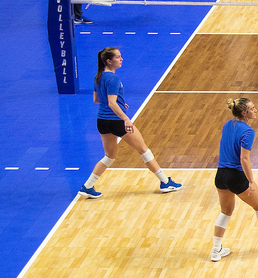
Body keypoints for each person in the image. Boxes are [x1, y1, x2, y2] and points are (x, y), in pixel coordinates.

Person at [78, 47, 182, 198]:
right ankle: (165, 182)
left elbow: (97, 100)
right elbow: (112, 103)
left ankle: (87, 186)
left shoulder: (98, 77)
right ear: (109, 61)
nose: (121, 59)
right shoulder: (113, 79)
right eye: (118, 57)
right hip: (117, 121)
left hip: (102, 121)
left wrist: (119, 103)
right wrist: (125, 118)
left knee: (109, 156)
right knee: (144, 150)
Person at [212, 97, 258, 262]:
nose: (255, 110)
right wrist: (250, 181)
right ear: (244, 113)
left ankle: (216, 250)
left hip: (221, 175)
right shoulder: (248, 132)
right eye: (252, 108)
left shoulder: (227, 124)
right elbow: (244, 159)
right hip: (236, 176)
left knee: (226, 212)